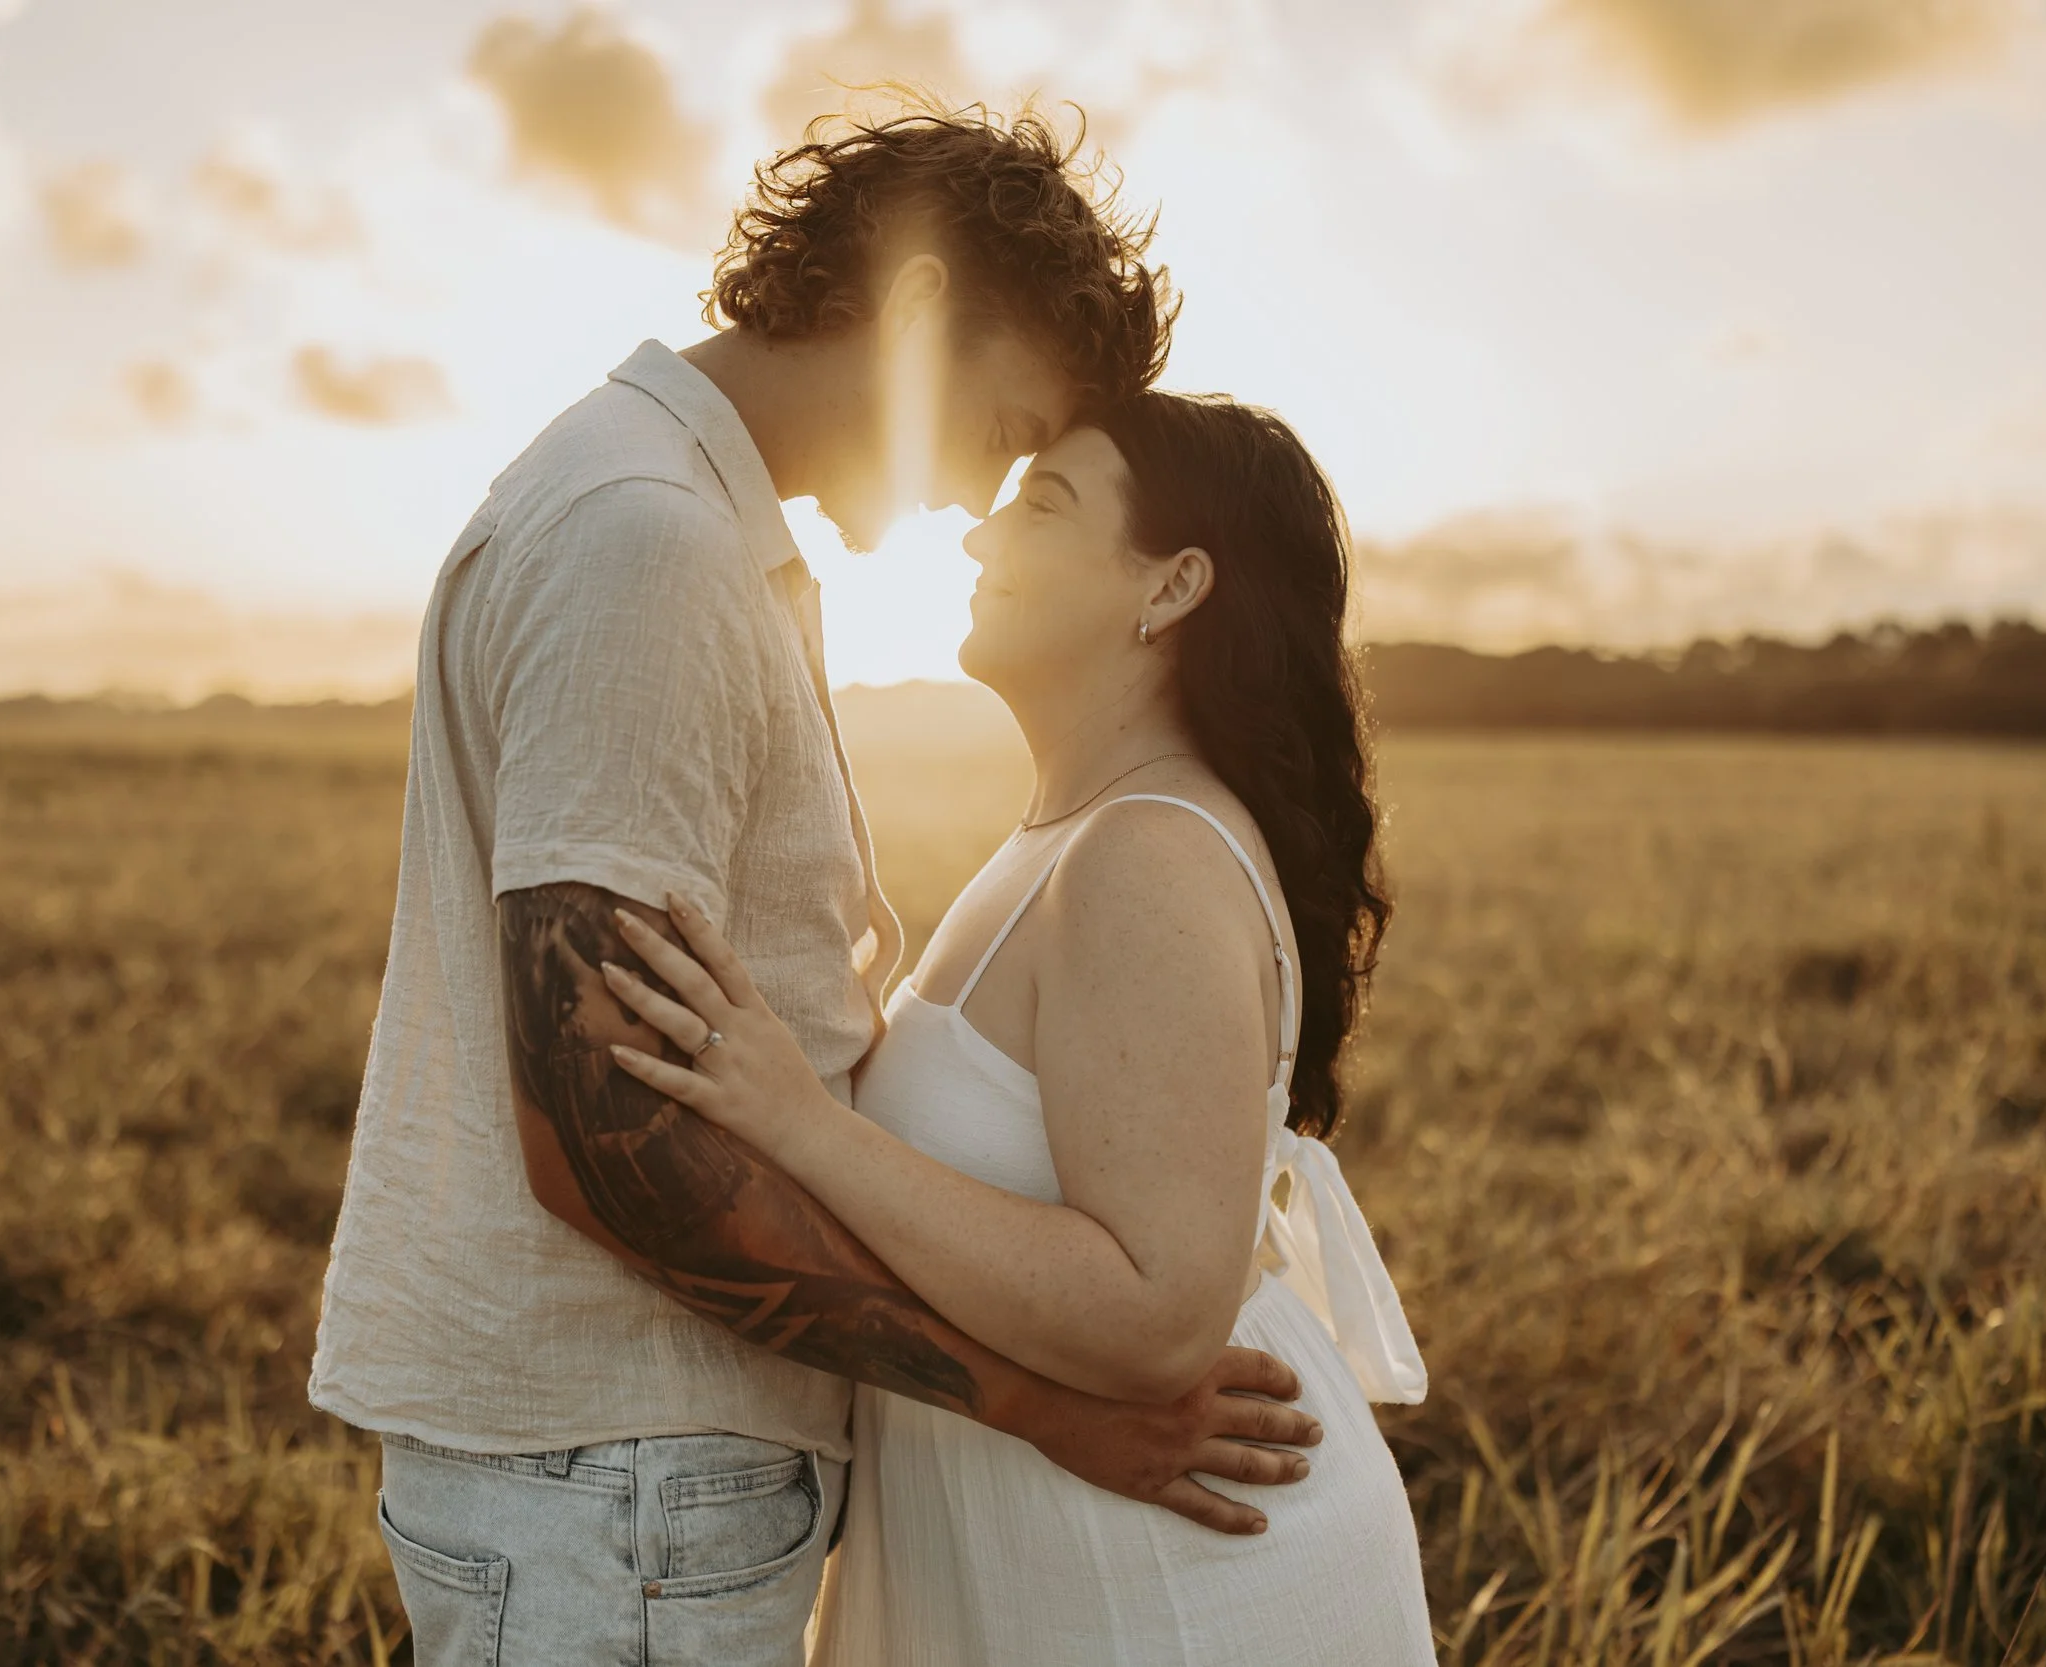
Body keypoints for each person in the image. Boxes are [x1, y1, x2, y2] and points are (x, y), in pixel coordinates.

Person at [307, 109, 1325, 1667]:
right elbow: (608, 1129)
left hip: (629, 1468)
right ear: (916, 315)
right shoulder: (645, 542)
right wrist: (1039, 1401)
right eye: (1002, 423)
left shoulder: (673, 515)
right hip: (620, 1461)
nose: (979, 491)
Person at [605, 390, 1438, 1665]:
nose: (979, 543)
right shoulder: (1068, 833)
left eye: (1040, 508)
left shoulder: (1143, 852)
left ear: (1170, 588)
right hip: (1066, 1542)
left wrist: (798, 1121)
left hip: (1171, 1585)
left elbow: (1160, 1314)